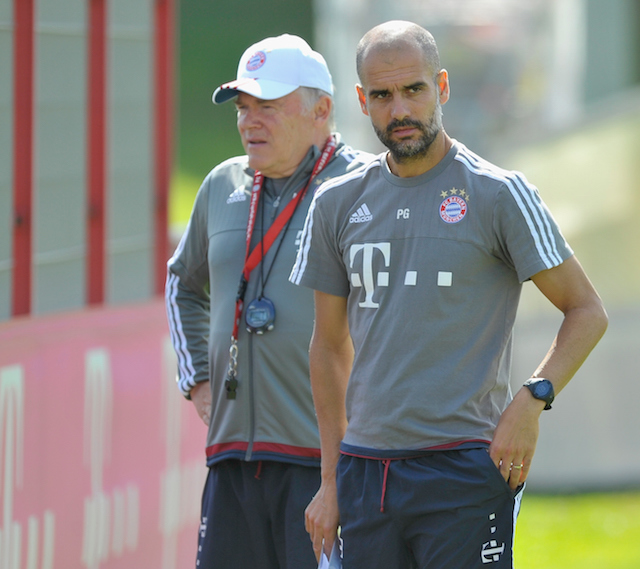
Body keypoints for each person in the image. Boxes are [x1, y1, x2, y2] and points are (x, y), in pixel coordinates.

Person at [290, 20, 608, 568]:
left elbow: (587, 311)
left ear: (441, 86)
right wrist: (331, 478)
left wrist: (531, 401)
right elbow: (328, 347)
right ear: (363, 101)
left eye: (413, 89)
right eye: (383, 96)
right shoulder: (335, 204)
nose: (400, 109)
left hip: (462, 466)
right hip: (366, 473)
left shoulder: (499, 193)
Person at [164, 34, 372, 569]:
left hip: (330, 464)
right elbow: (182, 282)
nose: (249, 122)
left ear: (321, 110)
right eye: (242, 107)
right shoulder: (221, 184)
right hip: (233, 460)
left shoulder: (367, 185)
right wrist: (198, 378)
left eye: (268, 106)